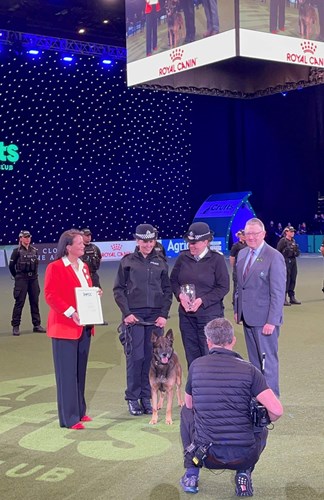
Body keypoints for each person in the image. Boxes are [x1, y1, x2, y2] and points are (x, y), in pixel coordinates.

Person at [179, 317, 283, 497]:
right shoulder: (250, 370)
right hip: (244, 455)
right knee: (262, 421)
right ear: (233, 341)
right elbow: (277, 411)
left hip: (206, 455)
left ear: (208, 342)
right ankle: (243, 475)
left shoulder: (196, 366)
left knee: (186, 412)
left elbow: (190, 405)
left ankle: (191, 474)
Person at [113, 224, 172, 417]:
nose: (147, 244)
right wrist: (127, 313)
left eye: (151, 241)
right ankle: (132, 397)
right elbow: (118, 289)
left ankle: (147, 397)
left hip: (155, 318)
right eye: (144, 241)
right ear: (137, 241)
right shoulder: (127, 261)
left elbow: (167, 291)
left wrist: (163, 314)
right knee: (135, 357)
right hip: (134, 317)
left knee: (152, 359)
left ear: (155, 241)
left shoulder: (161, 262)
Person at [44, 229, 97, 429]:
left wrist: (94, 293)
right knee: (67, 374)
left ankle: (80, 411)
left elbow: (83, 293)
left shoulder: (83, 267)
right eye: (80, 243)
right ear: (68, 247)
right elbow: (50, 295)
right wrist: (70, 311)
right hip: (64, 327)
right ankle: (69, 418)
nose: (84, 245)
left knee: (79, 372)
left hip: (84, 327)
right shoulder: (55, 267)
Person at [234, 218, 286, 397]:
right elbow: (239, 285)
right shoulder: (242, 255)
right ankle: (258, 397)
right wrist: (237, 309)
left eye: (255, 234)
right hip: (247, 317)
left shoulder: (274, 257)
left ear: (263, 234)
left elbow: (278, 293)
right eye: (248, 234)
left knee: (268, 362)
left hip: (265, 321)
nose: (251, 237)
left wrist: (272, 320)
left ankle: (272, 400)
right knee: (254, 362)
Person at [170, 221, 230, 368]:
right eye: (189, 242)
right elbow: (173, 281)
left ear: (205, 242)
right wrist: (180, 295)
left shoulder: (217, 259)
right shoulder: (182, 258)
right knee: (191, 355)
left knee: (209, 354)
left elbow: (223, 287)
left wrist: (202, 300)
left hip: (210, 316)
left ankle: (211, 388)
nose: (191, 246)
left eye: (195, 243)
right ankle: (195, 388)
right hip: (186, 317)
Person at [9, 230, 46, 336]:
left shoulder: (34, 250)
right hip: (21, 279)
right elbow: (12, 266)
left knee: (34, 302)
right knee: (19, 303)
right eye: (25, 237)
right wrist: (17, 276)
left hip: (33, 279)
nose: (27, 239)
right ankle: (15, 326)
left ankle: (36, 325)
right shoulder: (17, 251)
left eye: (29, 237)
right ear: (20, 238)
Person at [277, 226, 301, 306]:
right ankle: (283, 298)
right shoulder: (283, 241)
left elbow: (297, 252)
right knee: (286, 279)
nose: (292, 233)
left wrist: (296, 251)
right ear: (286, 232)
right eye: (291, 231)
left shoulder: (293, 241)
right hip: (286, 261)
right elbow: (278, 252)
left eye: (293, 231)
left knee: (293, 278)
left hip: (293, 260)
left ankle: (292, 297)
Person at [229, 229, 246, 305]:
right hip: (237, 268)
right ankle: (235, 302)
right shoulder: (236, 246)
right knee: (236, 287)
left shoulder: (247, 245)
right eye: (243, 235)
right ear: (240, 235)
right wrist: (234, 267)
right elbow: (232, 257)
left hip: (245, 268)